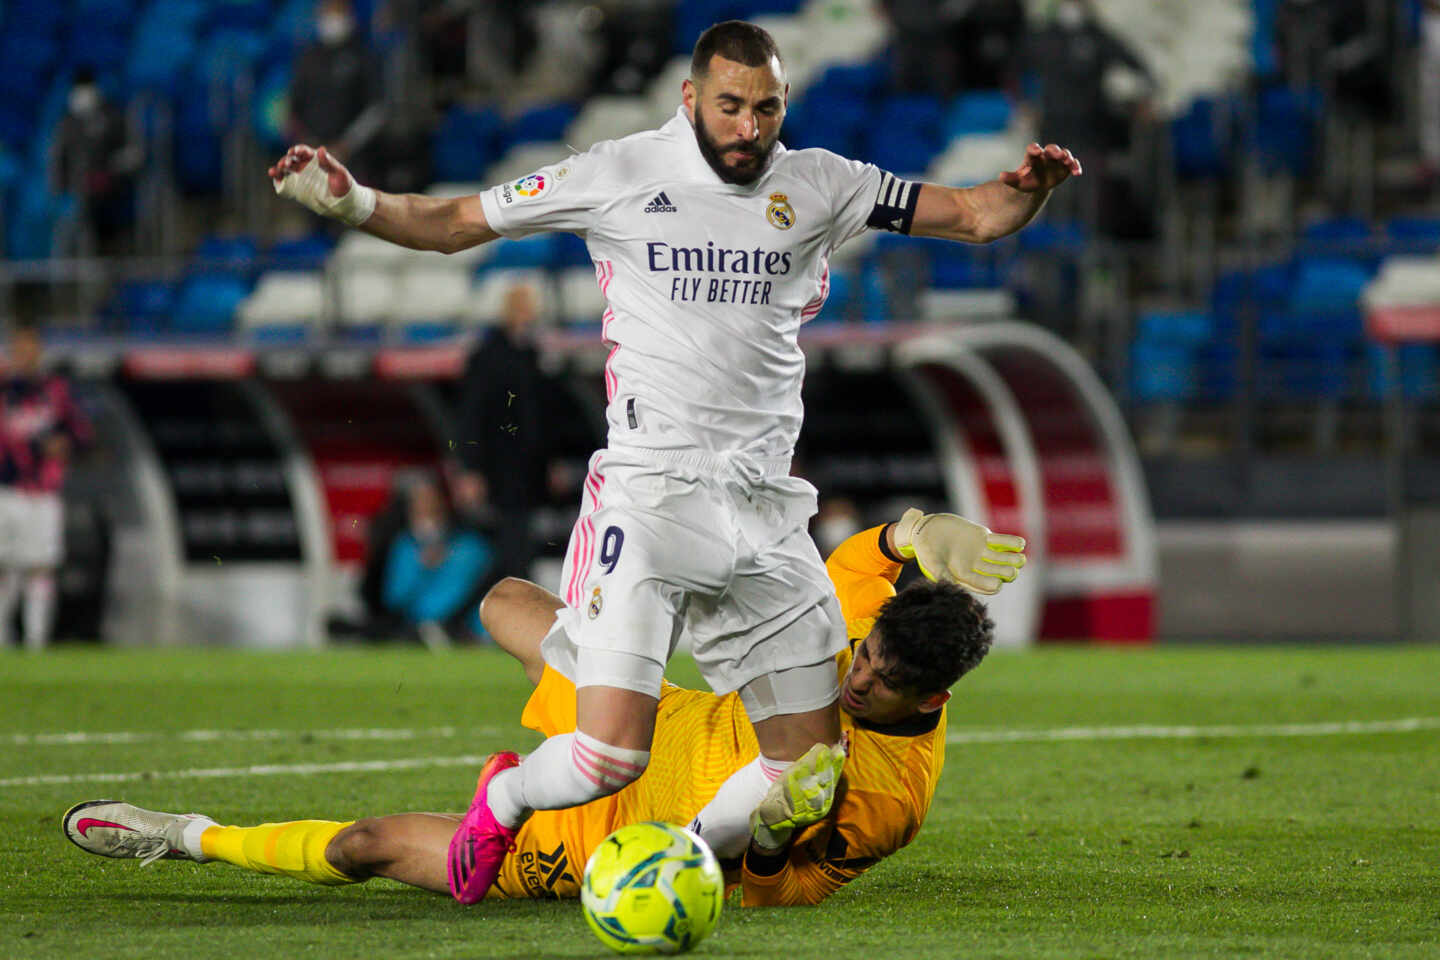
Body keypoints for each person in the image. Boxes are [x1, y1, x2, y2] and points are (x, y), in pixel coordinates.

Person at [266, 18, 1075, 904]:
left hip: (767, 511)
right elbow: (452, 221)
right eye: (729, 106)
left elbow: (972, 213)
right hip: (654, 495)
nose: (747, 128)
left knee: (809, 768)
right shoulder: (616, 173)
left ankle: (677, 863)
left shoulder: (824, 183)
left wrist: (1027, 191)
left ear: (784, 106)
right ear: (690, 98)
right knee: (608, 756)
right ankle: (505, 798)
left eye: (765, 109)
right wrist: (351, 203)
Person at [61, 508, 1019, 905]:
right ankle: (536, 762)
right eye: (864, 655)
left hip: (615, 846)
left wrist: (769, 841)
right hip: (656, 717)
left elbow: (786, 887)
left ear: (930, 699)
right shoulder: (863, 628)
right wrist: (916, 529)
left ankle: (184, 834)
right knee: (504, 602)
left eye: (881, 682)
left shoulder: (893, 795)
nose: (855, 680)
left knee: (368, 846)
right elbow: (860, 563)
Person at [0, 322, 92, 650]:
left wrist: (65, 443)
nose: (24, 355)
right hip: (5, 490)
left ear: (39, 351)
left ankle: (36, 643)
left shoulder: (56, 391)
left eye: (30, 348)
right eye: (18, 348)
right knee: (4, 567)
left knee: (40, 567)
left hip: (43, 493)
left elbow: (83, 434)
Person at [452, 280, 549, 588]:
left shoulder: (531, 354)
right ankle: (460, 616)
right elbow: (471, 416)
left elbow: (539, 416)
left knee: (517, 549)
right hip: (498, 467)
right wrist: (469, 469)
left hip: (526, 471)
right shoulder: (487, 356)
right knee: (510, 551)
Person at [381, 472, 493, 648]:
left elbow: (486, 589)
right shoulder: (404, 547)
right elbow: (394, 597)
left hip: (463, 628)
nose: (426, 507)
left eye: (431, 501)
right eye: (420, 502)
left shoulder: (469, 547)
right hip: (416, 627)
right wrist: (421, 567)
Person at [288, 0, 385, 185]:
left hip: (354, 159)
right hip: (314, 157)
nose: (332, 18)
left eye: (337, 11)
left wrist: (347, 145)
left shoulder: (363, 55)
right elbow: (294, 108)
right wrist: (309, 145)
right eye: (327, 12)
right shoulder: (308, 57)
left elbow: (377, 109)